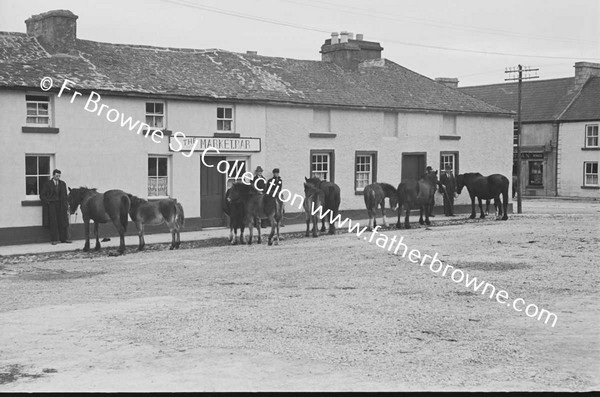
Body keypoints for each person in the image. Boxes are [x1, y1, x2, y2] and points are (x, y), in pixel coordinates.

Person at [40, 169, 71, 245]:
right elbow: (42, 195)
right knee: (53, 222)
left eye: (59, 176)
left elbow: (65, 195)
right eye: (56, 176)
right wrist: (48, 202)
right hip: (52, 205)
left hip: (61, 205)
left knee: (62, 221)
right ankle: (54, 240)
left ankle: (63, 239)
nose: (58, 177)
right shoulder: (48, 184)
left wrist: (67, 205)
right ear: (53, 175)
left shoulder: (63, 184)